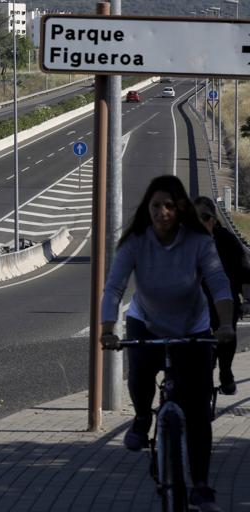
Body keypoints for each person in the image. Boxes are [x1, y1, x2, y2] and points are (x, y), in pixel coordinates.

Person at [101, 176, 235, 512]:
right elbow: (114, 288)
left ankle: (202, 487)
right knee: (141, 371)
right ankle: (143, 417)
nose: (163, 212)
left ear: (180, 210)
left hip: (193, 325)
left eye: (170, 206)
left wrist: (227, 326)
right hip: (146, 320)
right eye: (156, 206)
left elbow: (219, 283)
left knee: (198, 411)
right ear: (148, 209)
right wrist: (107, 329)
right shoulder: (135, 243)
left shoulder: (198, 242)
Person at [193, 196, 250, 395]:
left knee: (226, 338)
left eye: (206, 217)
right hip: (196, 304)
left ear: (214, 218)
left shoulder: (226, 240)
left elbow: (244, 271)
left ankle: (226, 372)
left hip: (225, 302)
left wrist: (247, 300)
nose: (202, 222)